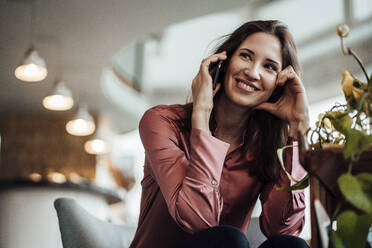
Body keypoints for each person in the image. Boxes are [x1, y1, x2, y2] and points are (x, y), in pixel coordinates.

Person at [129, 20, 310, 248]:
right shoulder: (162, 122)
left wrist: (298, 128)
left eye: (270, 67)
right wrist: (202, 115)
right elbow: (198, 220)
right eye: (245, 56)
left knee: (291, 246)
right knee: (228, 239)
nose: (253, 73)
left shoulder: (267, 146)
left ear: (279, 85)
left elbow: (284, 228)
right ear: (224, 61)